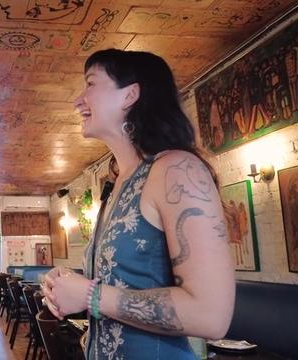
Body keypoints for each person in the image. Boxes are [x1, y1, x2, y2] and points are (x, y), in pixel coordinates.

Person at [42, 49, 235, 359]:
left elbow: (211, 315)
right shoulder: (116, 184)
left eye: (90, 84)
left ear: (130, 94)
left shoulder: (175, 169)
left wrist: (90, 295)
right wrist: (67, 284)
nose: (78, 100)